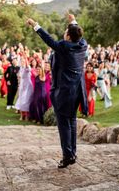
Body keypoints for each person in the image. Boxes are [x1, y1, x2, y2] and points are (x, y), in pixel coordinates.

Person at [27, 14, 88, 169]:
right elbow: (78, 35)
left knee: (63, 124)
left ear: (68, 36)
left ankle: (68, 156)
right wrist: (73, 21)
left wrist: (35, 25)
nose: (64, 32)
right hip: (76, 91)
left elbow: (48, 39)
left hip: (64, 92)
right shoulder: (82, 45)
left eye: (67, 30)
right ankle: (72, 153)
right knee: (72, 121)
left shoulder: (64, 46)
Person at [14, 50, 33, 121]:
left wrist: (26, 59)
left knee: (27, 100)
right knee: (21, 100)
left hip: (28, 86)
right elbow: (19, 77)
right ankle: (22, 115)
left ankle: (27, 116)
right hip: (22, 85)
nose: (22, 62)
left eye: (23, 61)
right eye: (21, 61)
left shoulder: (27, 68)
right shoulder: (20, 69)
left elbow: (28, 67)